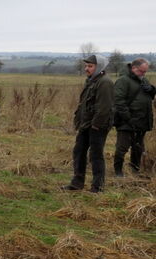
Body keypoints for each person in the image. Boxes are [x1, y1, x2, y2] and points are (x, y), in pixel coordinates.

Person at [63, 55, 113, 193]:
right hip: (86, 124)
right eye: (86, 66)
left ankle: (98, 187)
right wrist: (79, 121)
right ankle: (77, 183)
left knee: (96, 155)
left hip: (98, 126)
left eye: (90, 66)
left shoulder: (105, 82)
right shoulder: (91, 81)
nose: (87, 69)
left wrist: (96, 125)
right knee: (78, 152)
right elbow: (84, 104)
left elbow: (104, 108)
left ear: (99, 67)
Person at [112, 58, 153, 178]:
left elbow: (148, 97)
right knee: (122, 147)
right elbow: (119, 101)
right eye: (141, 71)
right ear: (134, 68)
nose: (143, 74)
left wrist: (151, 90)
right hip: (126, 122)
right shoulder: (123, 81)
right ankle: (118, 172)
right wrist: (129, 118)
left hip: (142, 122)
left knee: (138, 148)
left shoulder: (143, 80)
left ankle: (135, 170)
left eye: (145, 72)